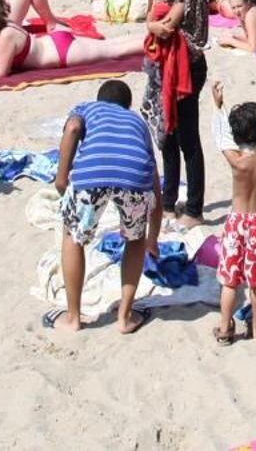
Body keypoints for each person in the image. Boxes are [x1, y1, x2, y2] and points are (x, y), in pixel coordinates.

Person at [48, 80, 161, 333]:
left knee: (73, 237)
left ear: (99, 100)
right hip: (135, 176)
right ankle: (125, 317)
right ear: (127, 106)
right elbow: (153, 177)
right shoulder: (137, 122)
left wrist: (61, 177)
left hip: (93, 174)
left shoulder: (87, 108)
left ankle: (73, 317)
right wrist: (151, 238)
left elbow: (73, 128)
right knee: (134, 240)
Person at [148, 0, 217, 231]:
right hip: (169, 65)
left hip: (187, 65)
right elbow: (156, 15)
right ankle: (170, 197)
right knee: (168, 135)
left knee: (187, 136)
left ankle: (194, 207)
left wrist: (153, 23)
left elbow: (168, 23)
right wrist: (152, 22)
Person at [208, 80, 256, 344]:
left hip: (236, 222)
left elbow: (221, 138)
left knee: (229, 280)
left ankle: (225, 327)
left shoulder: (236, 161)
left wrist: (218, 106)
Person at [0, 0, 149, 77]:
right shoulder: (3, 28)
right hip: (56, 43)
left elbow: (0, 73)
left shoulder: (5, 36)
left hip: (62, 53)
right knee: (111, 45)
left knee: (115, 51)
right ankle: (150, 38)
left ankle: (155, 42)